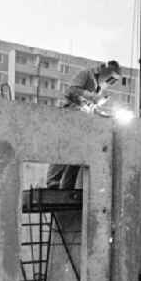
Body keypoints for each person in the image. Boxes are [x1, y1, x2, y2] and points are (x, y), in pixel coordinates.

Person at [46, 60, 122, 189]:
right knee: (65, 148)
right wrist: (91, 96)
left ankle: (67, 186)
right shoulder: (86, 74)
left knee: (79, 154)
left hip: (84, 120)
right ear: (105, 71)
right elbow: (71, 91)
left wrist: (103, 113)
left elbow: (91, 106)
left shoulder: (99, 87)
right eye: (111, 79)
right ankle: (53, 181)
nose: (110, 83)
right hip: (71, 115)